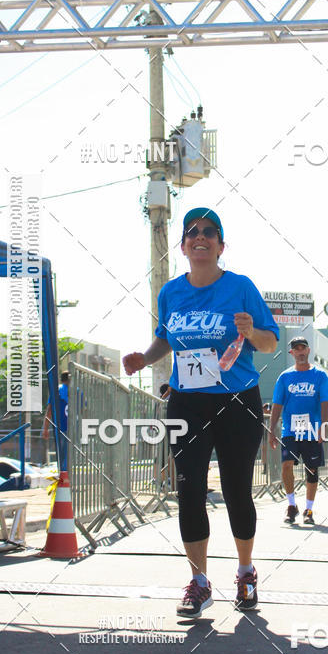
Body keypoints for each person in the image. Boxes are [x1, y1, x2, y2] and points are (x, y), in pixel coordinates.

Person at [123, 208, 279, 617]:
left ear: (221, 245)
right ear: (183, 246)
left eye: (210, 232)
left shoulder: (241, 287)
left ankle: (245, 572)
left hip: (237, 400)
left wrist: (251, 331)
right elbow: (164, 340)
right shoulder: (171, 293)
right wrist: (144, 358)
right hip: (188, 401)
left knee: (236, 489)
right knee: (189, 489)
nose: (201, 237)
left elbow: (270, 344)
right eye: (192, 231)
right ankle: (199, 582)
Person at [269, 337, 328, 525]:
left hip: (312, 430)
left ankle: (309, 509)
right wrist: (271, 430)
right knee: (286, 465)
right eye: (296, 349)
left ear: (308, 350)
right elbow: (277, 404)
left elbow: (325, 402)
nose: (300, 352)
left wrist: (323, 426)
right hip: (290, 430)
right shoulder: (285, 377)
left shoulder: (320, 375)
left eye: (303, 348)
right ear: (292, 353)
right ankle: (291, 505)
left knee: (311, 469)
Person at [43, 370, 69, 468]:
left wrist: (45, 428)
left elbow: (49, 410)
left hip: (59, 427)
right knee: (70, 454)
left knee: (60, 454)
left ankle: (62, 471)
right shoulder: (77, 391)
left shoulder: (56, 391)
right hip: (73, 428)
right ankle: (67, 472)